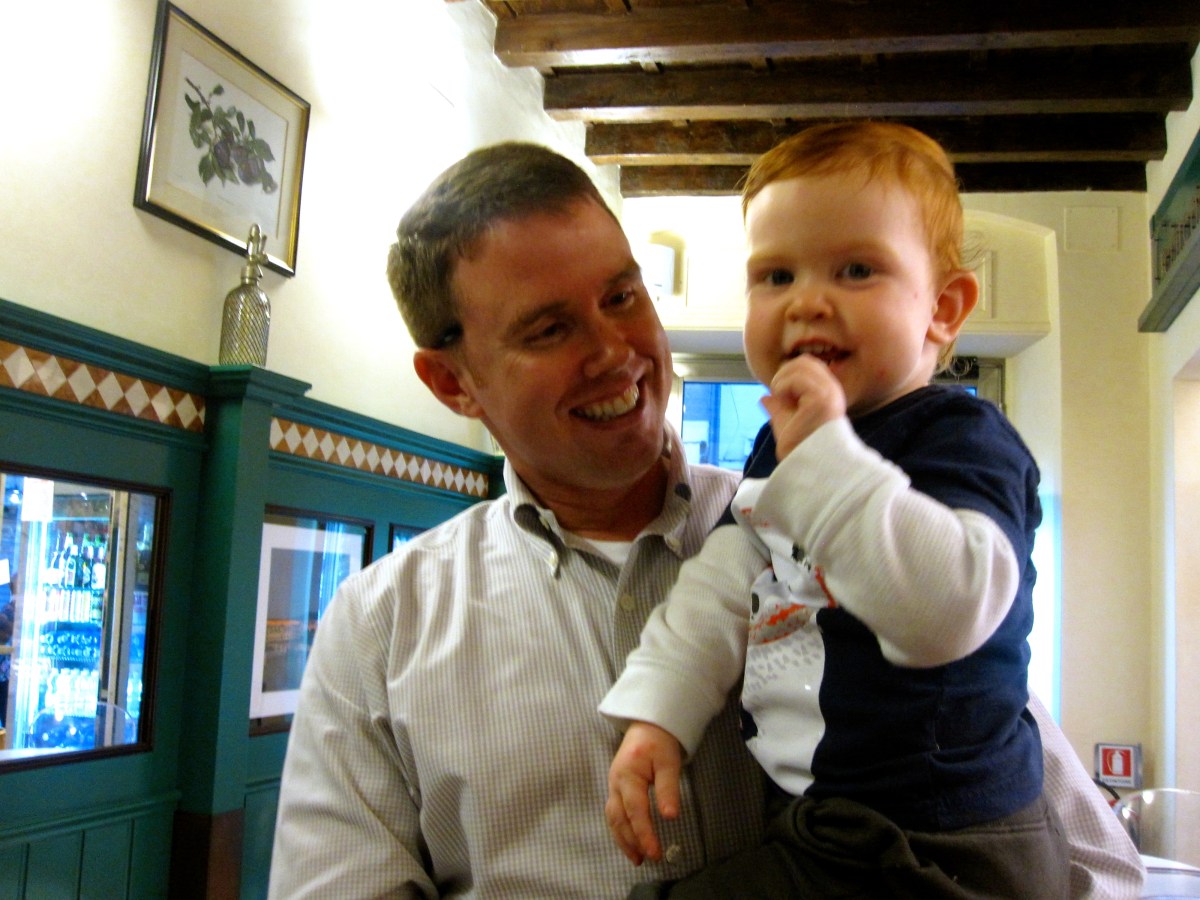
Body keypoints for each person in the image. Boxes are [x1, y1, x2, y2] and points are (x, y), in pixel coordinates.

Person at [268, 141, 1143, 899]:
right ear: (452, 382)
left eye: (623, 297)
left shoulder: (871, 526)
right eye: (549, 329)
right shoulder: (380, 627)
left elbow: (1088, 856)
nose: (614, 352)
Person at [600, 122, 1070, 898]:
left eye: (856, 270)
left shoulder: (961, 438)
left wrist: (822, 455)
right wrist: (659, 715)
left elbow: (945, 614)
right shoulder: (777, 447)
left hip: (942, 839)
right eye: (775, 275)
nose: (806, 302)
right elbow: (718, 590)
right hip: (829, 829)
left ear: (943, 308)